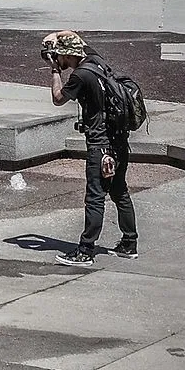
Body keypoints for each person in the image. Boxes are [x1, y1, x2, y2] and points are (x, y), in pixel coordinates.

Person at [43, 30, 138, 267]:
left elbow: (57, 98)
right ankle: (129, 244)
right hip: (119, 142)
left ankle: (85, 251)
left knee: (95, 197)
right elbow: (79, 40)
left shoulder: (80, 76)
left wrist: (54, 70)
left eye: (59, 56)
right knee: (119, 192)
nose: (58, 60)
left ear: (65, 55)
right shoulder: (97, 62)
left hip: (100, 146)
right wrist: (56, 35)